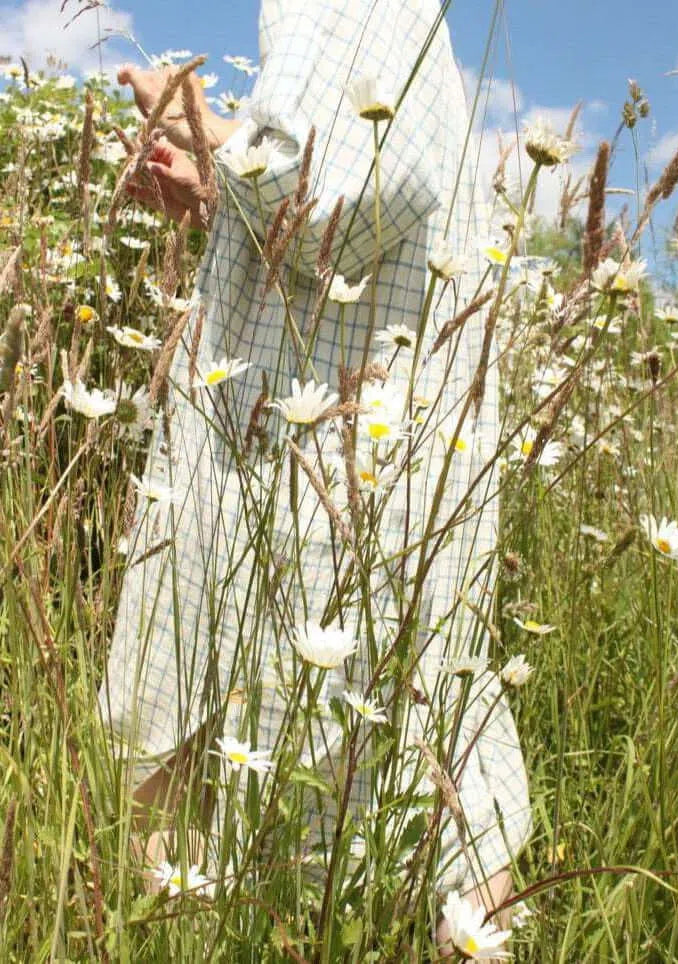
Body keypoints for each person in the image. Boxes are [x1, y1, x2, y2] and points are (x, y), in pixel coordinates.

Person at [103, 0, 531, 950]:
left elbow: (326, 191)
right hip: (360, 422)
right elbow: (352, 202)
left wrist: (199, 128)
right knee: (400, 714)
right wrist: (213, 188)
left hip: (329, 438)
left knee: (354, 709)